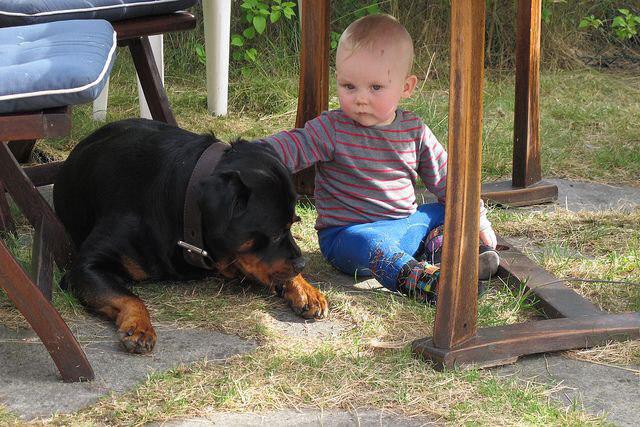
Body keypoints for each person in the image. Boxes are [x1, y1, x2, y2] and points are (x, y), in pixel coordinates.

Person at [259, 14, 499, 302]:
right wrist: (254, 153)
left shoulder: (415, 131)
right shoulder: (331, 128)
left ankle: (454, 254)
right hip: (349, 237)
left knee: (444, 211)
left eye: (375, 87)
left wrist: (477, 219)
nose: (361, 98)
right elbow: (293, 145)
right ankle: (422, 282)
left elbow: (450, 180)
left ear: (406, 87)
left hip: (405, 225)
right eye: (349, 86)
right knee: (372, 243)